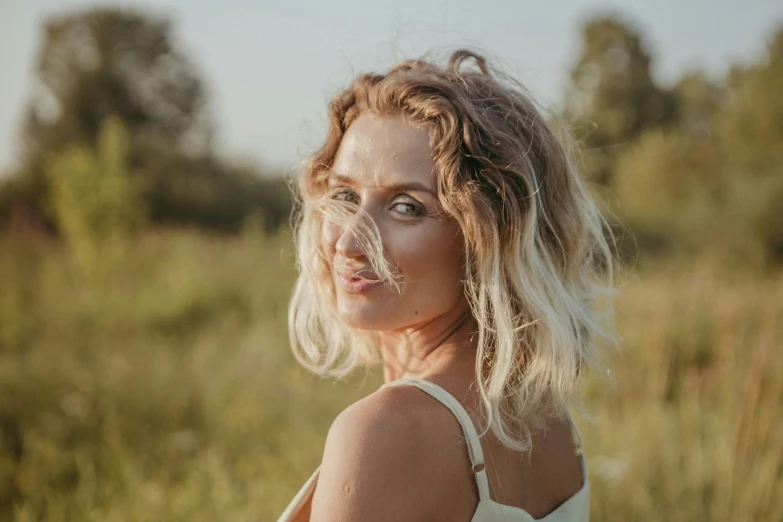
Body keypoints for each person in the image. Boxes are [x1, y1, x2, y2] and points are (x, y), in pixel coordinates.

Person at [277, 48, 617, 522]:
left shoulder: (381, 434)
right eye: (345, 195)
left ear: (489, 239)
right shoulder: (547, 418)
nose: (350, 240)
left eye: (406, 207)